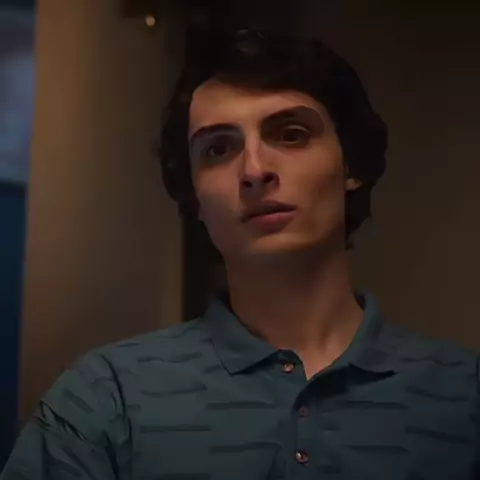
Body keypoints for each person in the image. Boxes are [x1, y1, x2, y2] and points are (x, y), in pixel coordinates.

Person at [1, 27, 478, 480]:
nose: (254, 170)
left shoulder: (465, 396)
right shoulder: (105, 398)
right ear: (194, 197)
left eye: (291, 134)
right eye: (218, 150)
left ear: (350, 165)